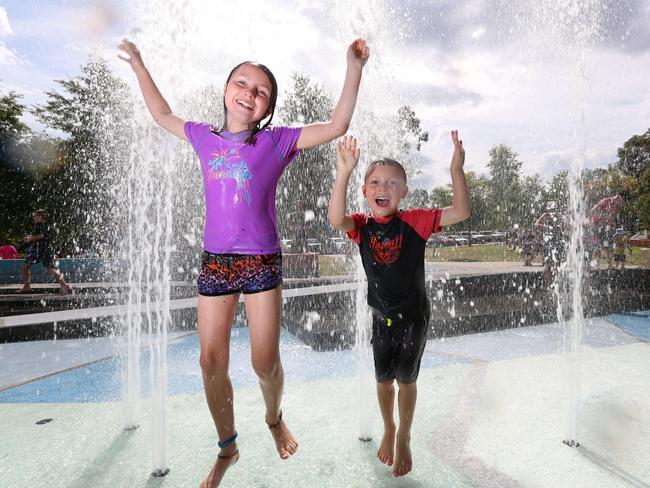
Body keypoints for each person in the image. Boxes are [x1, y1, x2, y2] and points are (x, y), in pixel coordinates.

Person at [118, 38, 369, 487]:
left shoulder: (277, 142)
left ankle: (274, 418)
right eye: (243, 83)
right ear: (226, 88)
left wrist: (353, 66)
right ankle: (227, 447)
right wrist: (139, 65)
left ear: (267, 107)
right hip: (215, 262)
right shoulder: (202, 136)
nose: (250, 93)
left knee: (263, 363)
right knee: (209, 361)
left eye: (262, 92)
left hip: (260, 262)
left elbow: (336, 124)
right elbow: (161, 115)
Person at [328, 132, 470, 477]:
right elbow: (335, 218)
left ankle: (404, 434)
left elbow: (462, 211)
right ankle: (389, 427)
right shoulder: (360, 227)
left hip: (413, 318)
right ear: (365, 192)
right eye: (375, 182)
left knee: (406, 380)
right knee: (382, 380)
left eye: (393, 184)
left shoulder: (415, 221)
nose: (383, 188)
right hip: (380, 318)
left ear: (404, 192)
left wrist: (456, 169)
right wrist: (344, 171)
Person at [16, 210, 71, 295]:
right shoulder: (47, 225)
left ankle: (27, 286)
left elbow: (41, 235)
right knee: (49, 268)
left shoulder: (40, 225)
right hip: (46, 248)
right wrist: (31, 237)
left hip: (39, 248)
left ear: (40, 216)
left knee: (26, 266)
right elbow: (43, 236)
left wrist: (29, 239)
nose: (33, 217)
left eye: (34, 215)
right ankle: (64, 285)